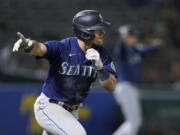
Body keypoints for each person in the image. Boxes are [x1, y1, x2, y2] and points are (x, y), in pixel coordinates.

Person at [13, 10, 117, 135]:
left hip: (72, 113)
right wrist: (28, 45)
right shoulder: (64, 47)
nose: (103, 32)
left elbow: (111, 87)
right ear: (86, 32)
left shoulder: (102, 54)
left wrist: (100, 68)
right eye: (98, 29)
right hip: (50, 106)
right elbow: (40, 48)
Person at [113, 24, 162, 135]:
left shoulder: (134, 49)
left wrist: (154, 46)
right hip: (125, 87)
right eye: (132, 36)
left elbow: (144, 51)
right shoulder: (123, 49)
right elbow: (121, 43)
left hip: (131, 88)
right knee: (134, 122)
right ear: (127, 37)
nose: (135, 38)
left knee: (135, 122)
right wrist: (123, 34)